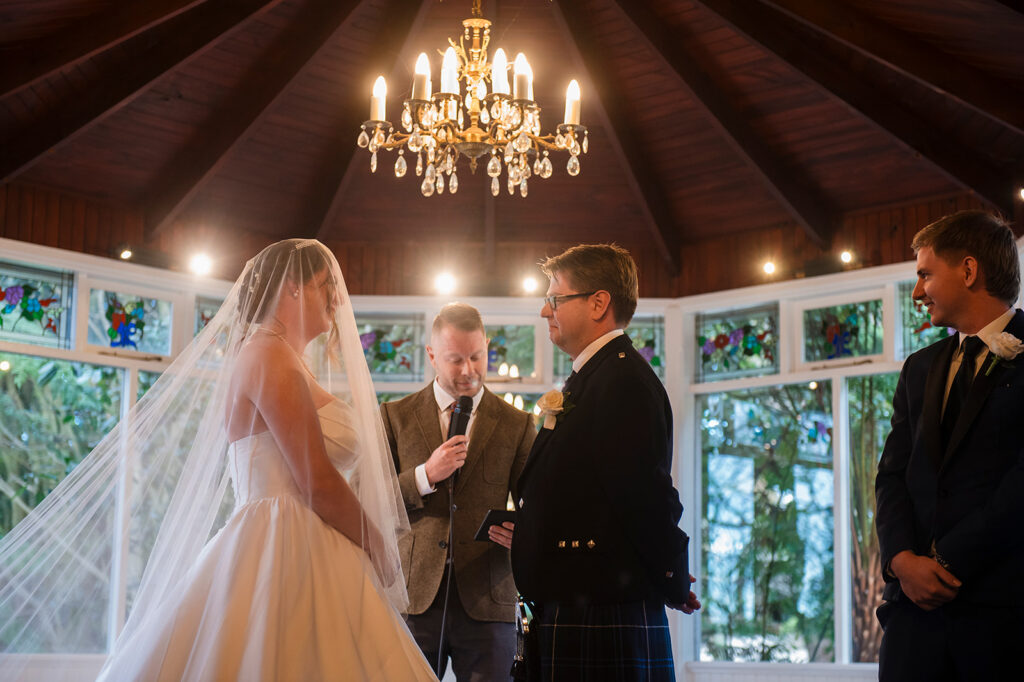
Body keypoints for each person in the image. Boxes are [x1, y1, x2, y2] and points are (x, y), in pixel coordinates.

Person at [0, 239, 437, 681]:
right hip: (280, 542)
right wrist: (377, 546)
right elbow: (316, 481)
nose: (337, 297)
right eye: (326, 285)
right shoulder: (268, 356)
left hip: (304, 538)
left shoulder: (283, 358)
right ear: (293, 287)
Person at [511, 243, 700, 681]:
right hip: (583, 600)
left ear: (599, 303)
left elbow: (644, 497)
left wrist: (671, 574)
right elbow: (587, 492)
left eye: (555, 298)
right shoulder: (595, 378)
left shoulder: (621, 382)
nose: (545, 311)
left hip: (599, 606)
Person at [875, 210, 1024, 681]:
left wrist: (943, 563)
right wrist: (901, 562)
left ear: (968, 270)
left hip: (1002, 620)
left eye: (925, 274)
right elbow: (892, 474)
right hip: (913, 628)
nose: (918, 292)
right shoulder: (920, 368)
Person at [380, 303, 535, 681]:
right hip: (414, 597)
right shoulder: (394, 416)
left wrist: (528, 533)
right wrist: (424, 475)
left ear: (487, 348)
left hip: (488, 597)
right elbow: (370, 498)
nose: (468, 370)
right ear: (432, 355)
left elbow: (537, 504)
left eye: (476, 357)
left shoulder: (516, 423)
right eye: (454, 359)